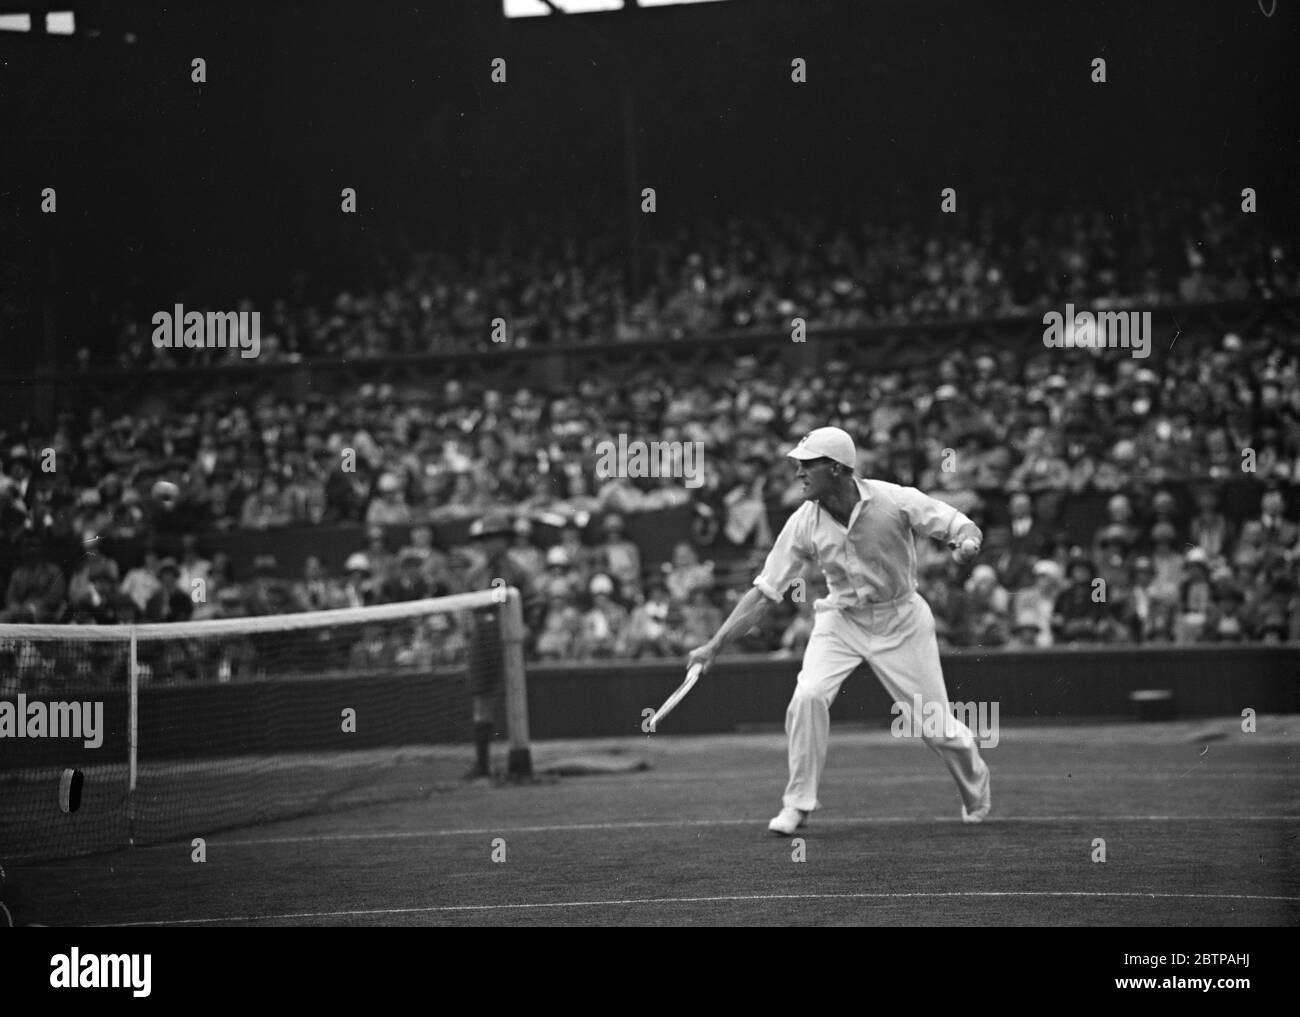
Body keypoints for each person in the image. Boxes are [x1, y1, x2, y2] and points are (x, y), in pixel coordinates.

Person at [687, 426, 991, 836]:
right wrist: (714, 645)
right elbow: (765, 592)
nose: (798, 473)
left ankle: (977, 797)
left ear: (835, 468)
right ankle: (798, 804)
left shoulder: (895, 499)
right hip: (840, 619)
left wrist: (967, 545)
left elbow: (961, 526)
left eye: (806, 465)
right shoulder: (803, 521)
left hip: (902, 618)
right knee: (808, 695)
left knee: (936, 727)